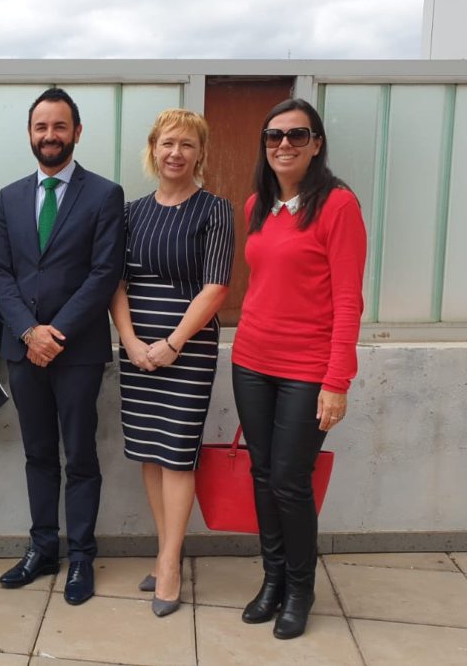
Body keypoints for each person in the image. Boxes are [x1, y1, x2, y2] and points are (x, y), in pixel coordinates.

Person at [233, 98, 366, 639]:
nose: (283, 145)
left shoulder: (337, 205)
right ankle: (271, 582)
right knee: (263, 476)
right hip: (251, 361)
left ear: (317, 144)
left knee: (290, 480)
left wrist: (337, 381)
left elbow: (349, 300)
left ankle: (301, 588)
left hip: (308, 368)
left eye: (296, 135)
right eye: (273, 136)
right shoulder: (255, 207)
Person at [0, 87, 124, 606]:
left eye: (60, 126)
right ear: (30, 134)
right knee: (38, 454)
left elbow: (103, 272)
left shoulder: (104, 194)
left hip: (78, 352)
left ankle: (82, 557)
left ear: (77, 132)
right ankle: (43, 548)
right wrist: (28, 332)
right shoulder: (10, 197)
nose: (50, 136)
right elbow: (1, 273)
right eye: (41, 127)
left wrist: (55, 333)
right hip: (24, 351)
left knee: (81, 456)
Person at [109, 109, 234, 617]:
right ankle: (167, 552)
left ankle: (168, 563)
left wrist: (173, 343)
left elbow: (216, 285)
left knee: (178, 453)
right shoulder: (131, 212)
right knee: (149, 452)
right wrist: (132, 341)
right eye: (167, 143)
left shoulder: (215, 210)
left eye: (186, 144)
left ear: (200, 153)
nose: (175, 153)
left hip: (188, 349)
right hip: (136, 350)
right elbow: (116, 283)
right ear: (153, 149)